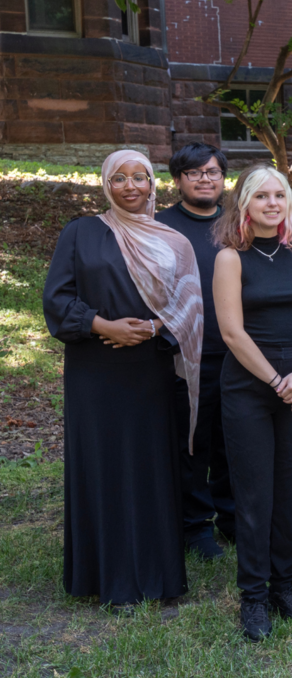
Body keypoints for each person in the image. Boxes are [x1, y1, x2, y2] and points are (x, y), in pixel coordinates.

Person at [44, 149, 204, 609]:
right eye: (120, 178)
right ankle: (105, 579)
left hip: (149, 371)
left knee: (150, 467)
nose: (131, 186)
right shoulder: (81, 233)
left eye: (140, 177)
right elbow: (56, 300)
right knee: (103, 465)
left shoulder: (172, 241)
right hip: (94, 372)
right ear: (105, 184)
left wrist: (154, 328)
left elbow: (189, 306)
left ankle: (158, 576)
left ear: (153, 184)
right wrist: (103, 325)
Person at [213, 164, 292, 641]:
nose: (272, 204)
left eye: (279, 196)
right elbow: (231, 332)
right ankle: (254, 596)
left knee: (289, 488)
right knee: (255, 492)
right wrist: (278, 379)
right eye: (261, 197)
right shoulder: (230, 259)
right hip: (249, 385)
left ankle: (284, 584)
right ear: (244, 204)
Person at [157, 142, 236, 561]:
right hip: (186, 355)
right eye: (194, 172)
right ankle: (195, 526)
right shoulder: (160, 227)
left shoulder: (239, 223)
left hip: (241, 353)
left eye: (212, 172)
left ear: (224, 178)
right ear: (178, 180)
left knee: (233, 441)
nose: (205, 179)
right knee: (193, 443)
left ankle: (233, 518)